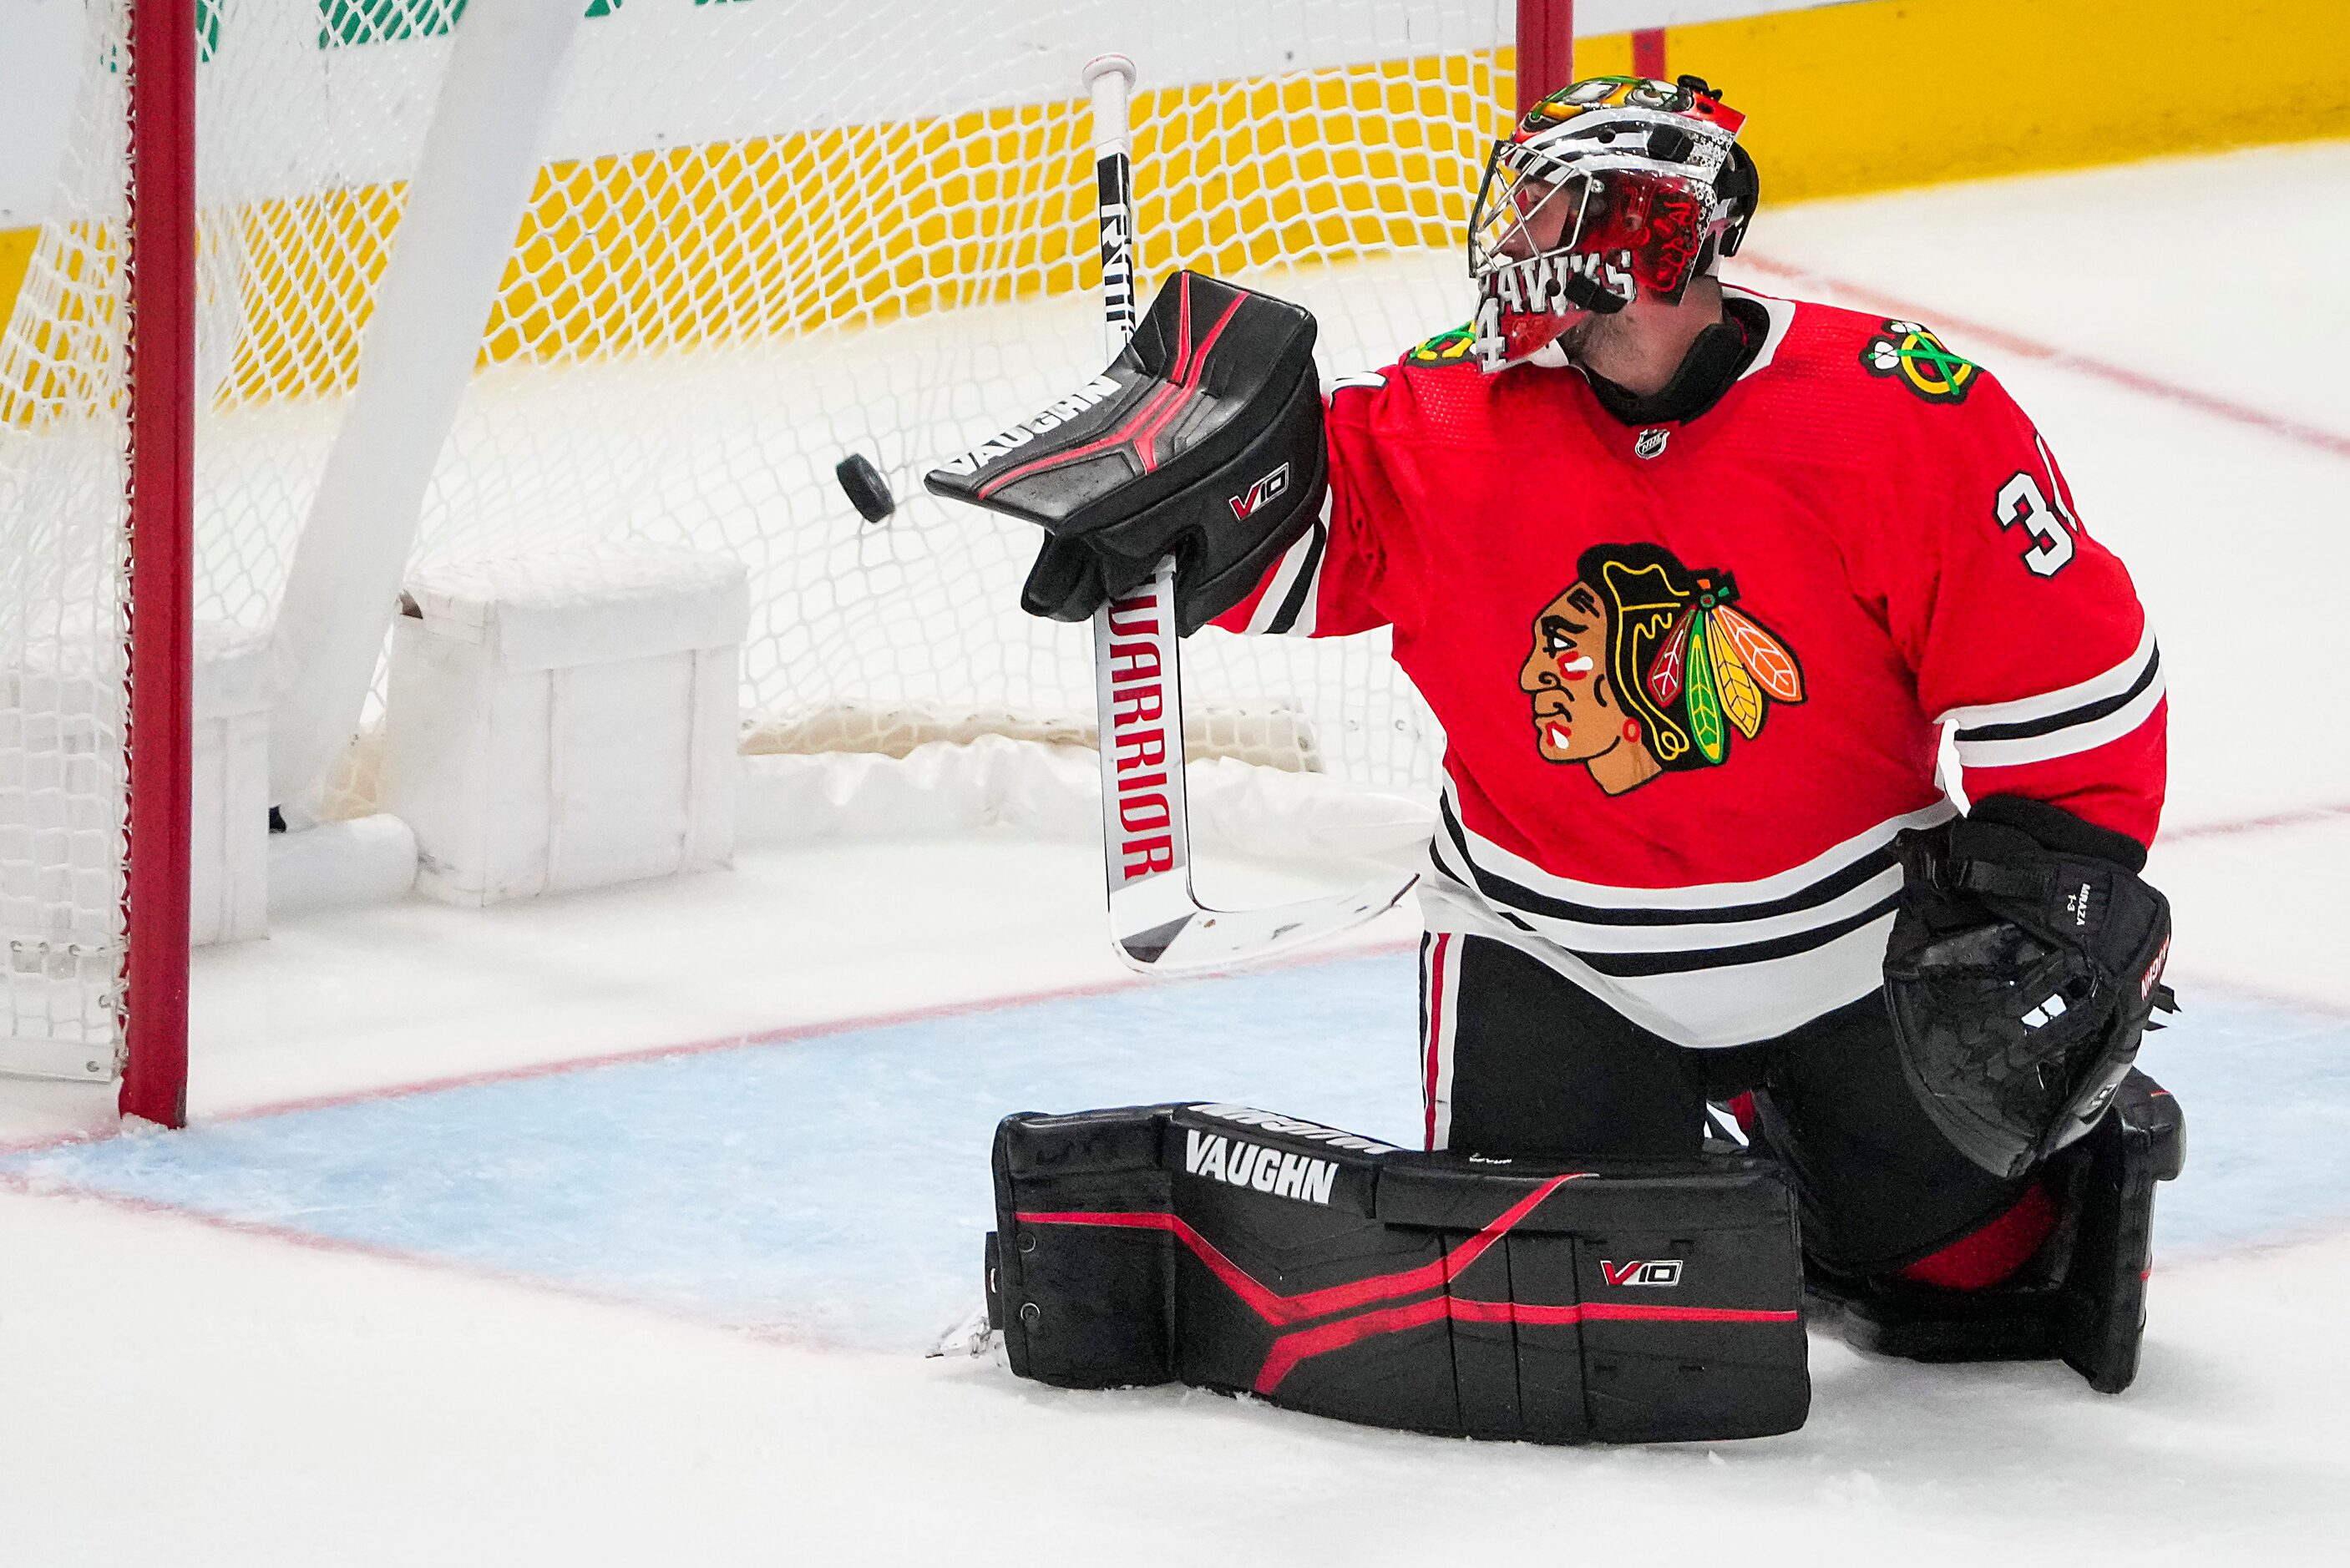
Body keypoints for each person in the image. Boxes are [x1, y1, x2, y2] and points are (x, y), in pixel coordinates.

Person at [950, 74, 2180, 1396]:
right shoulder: (1445, 412)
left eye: (1548, 211)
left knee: (1965, 1275)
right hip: (1551, 947)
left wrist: (2052, 911)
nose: (1512, 240)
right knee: (1565, 1308)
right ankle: (1685, 1124)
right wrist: (1167, 518)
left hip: (1851, 943)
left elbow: (2067, 687)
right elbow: (1299, 544)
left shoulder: (1901, 417)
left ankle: (1854, 1143)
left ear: (1655, 232)